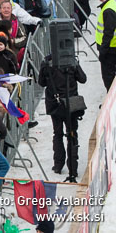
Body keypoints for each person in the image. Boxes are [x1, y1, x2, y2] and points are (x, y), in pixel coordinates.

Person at [38, 53, 88, 181]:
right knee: (72, 133)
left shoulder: (46, 62)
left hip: (54, 104)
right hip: (70, 103)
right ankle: (73, 168)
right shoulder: (71, 61)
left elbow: (41, 82)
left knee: (58, 134)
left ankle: (58, 165)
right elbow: (83, 79)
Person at [96, 0, 116, 90]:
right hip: (111, 48)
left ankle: (111, 100)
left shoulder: (108, 10)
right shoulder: (112, 5)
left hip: (110, 50)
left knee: (109, 77)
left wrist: (103, 50)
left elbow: (108, 33)